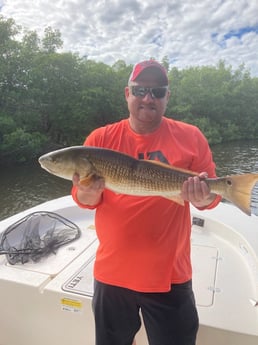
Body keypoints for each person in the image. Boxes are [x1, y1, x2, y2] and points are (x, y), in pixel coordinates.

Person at [71, 60, 221, 345]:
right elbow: (83, 198)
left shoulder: (191, 137)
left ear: (167, 97)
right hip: (112, 274)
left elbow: (210, 200)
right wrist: (88, 194)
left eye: (157, 91)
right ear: (127, 93)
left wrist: (204, 196)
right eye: (140, 90)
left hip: (169, 275)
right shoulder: (100, 140)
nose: (148, 98)